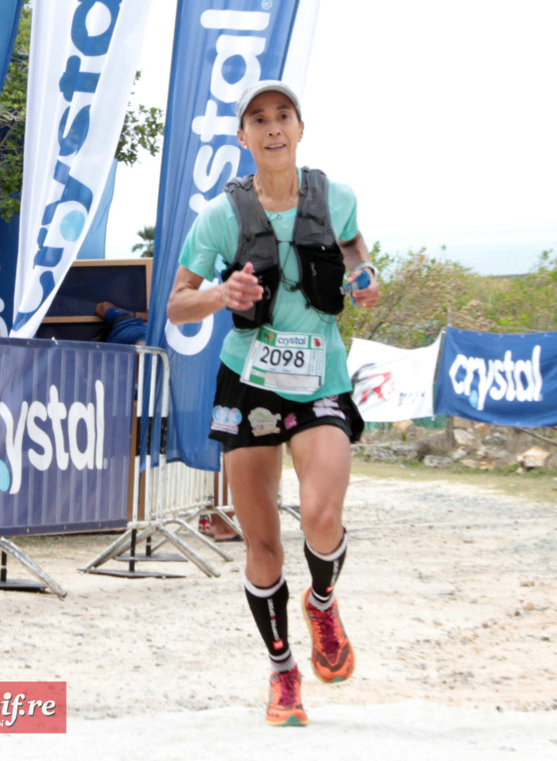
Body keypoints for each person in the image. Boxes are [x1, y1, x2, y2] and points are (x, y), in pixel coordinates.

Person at [166, 80, 380, 726]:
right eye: (257, 119)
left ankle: (322, 602)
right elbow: (177, 302)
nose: (272, 127)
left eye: (282, 115)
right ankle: (284, 671)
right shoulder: (220, 218)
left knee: (321, 515)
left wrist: (364, 272)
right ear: (244, 138)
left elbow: (352, 245)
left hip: (319, 379)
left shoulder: (334, 198)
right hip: (249, 383)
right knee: (263, 546)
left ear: (299, 128)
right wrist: (219, 296)